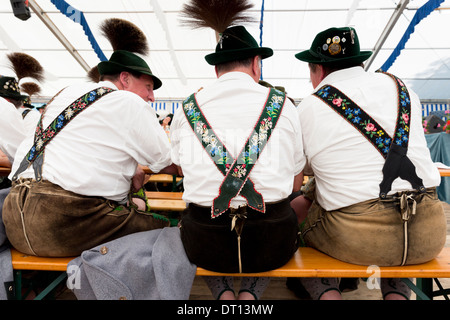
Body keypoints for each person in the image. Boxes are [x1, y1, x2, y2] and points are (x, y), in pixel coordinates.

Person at [292, 26, 447, 300]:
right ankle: (396, 297)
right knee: (404, 211)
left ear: (317, 69)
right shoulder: (403, 88)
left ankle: (328, 294)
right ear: (359, 61)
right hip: (429, 230)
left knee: (297, 219)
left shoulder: (310, 106)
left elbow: (303, 172)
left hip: (359, 239)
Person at [2, 18, 176, 258]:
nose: (151, 96)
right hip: (65, 221)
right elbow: (167, 163)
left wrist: (130, 168)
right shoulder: (128, 101)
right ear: (125, 79)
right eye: (147, 86)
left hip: (15, 218)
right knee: (167, 230)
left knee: (132, 208)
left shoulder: (66, 94)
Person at [173, 0, 305, 300]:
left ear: (217, 69)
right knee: (285, 218)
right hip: (271, 241)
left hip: (206, 241)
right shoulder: (283, 105)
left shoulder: (187, 107)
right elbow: (297, 179)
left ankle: (222, 295)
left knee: (192, 232)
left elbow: (181, 168)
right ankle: (250, 294)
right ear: (256, 63)